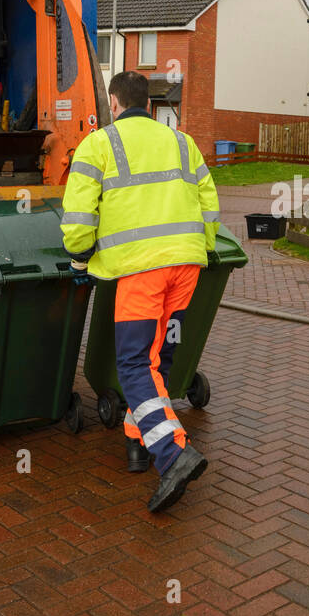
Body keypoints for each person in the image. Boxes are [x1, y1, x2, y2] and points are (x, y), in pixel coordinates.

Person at [61, 71, 221, 512]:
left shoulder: (99, 144)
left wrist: (79, 259)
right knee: (159, 359)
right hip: (186, 267)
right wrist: (202, 248)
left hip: (141, 271)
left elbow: (77, 222)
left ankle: (172, 454)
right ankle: (138, 443)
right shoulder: (183, 143)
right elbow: (210, 202)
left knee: (133, 363)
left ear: (113, 103)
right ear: (149, 104)